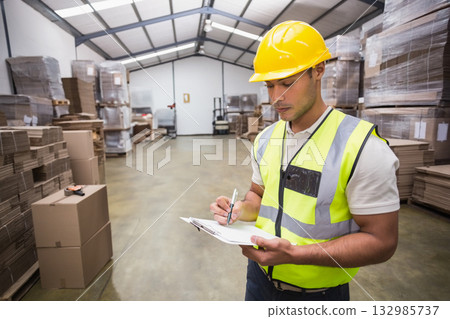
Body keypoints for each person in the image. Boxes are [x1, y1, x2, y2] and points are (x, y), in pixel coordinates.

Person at [210, 21, 399, 301]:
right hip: (259, 279)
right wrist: (237, 210)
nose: (277, 97)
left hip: (318, 295)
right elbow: (258, 195)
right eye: (270, 85)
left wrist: (296, 255)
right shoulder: (265, 139)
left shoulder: (361, 147)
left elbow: (382, 242)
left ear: (318, 70)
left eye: (288, 83)